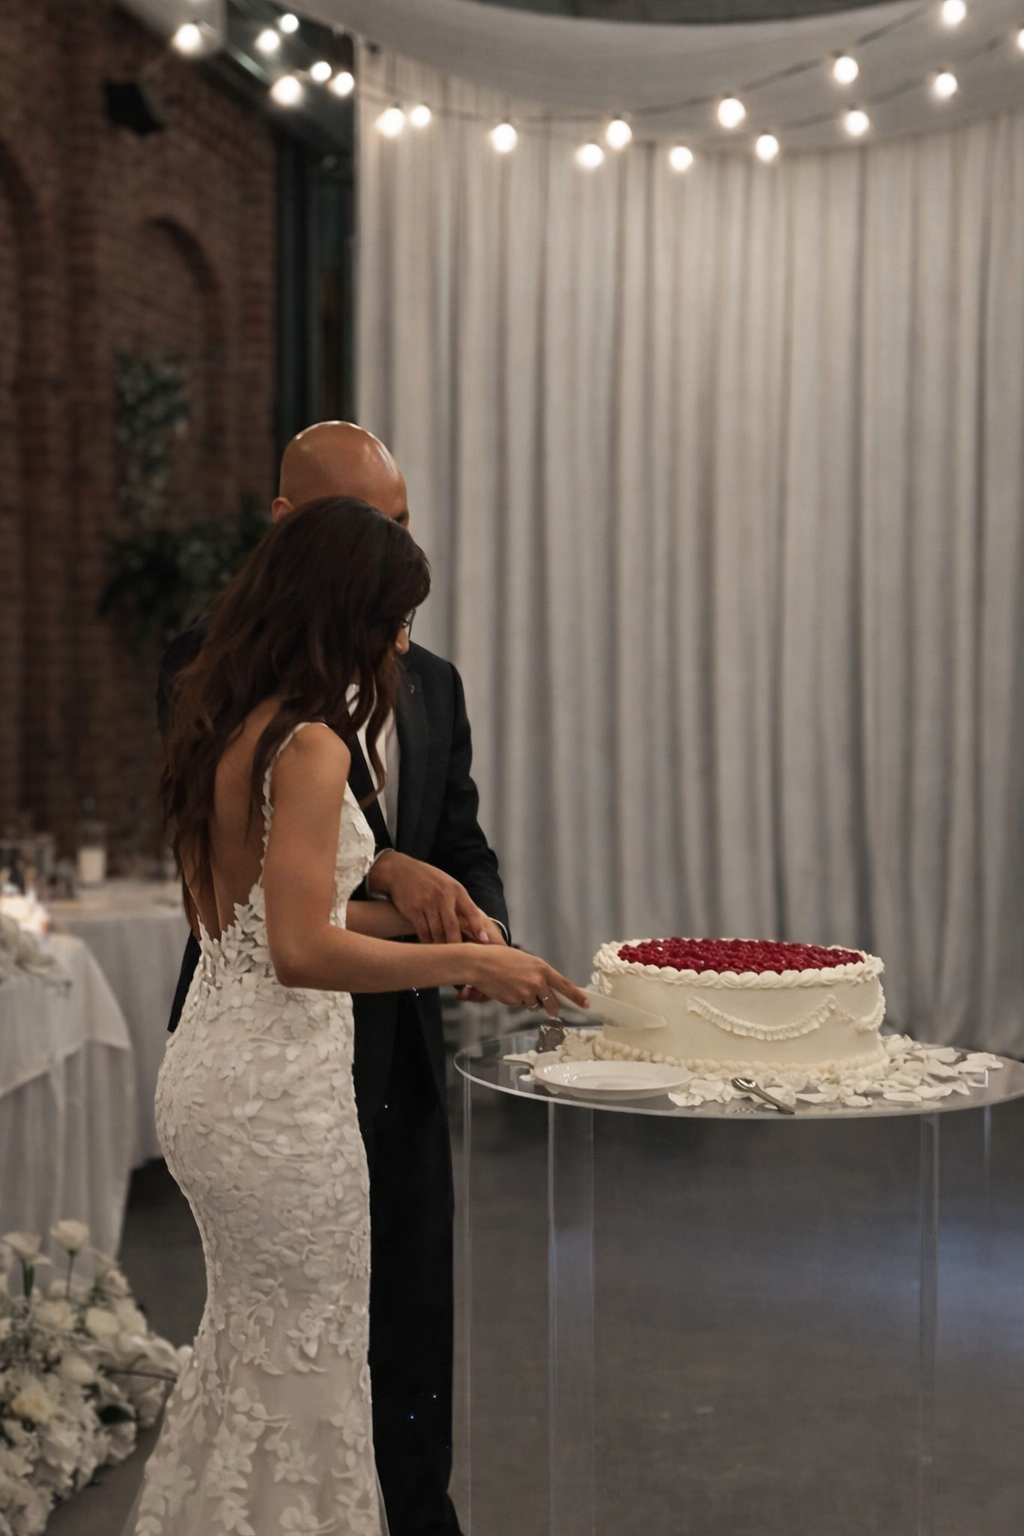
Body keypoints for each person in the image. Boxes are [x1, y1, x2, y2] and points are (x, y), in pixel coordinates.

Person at [131, 498, 589, 1535]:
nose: (400, 642)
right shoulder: (311, 745)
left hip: (214, 1073)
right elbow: (301, 951)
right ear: (345, 609)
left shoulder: (230, 717)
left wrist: (450, 921)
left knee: (252, 1359)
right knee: (309, 1362)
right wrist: (465, 957)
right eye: (392, 617)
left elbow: (276, 913)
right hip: (280, 1104)